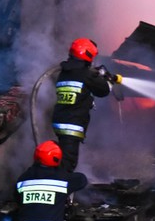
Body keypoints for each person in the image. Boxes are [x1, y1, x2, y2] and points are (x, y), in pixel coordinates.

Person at [52, 37, 121, 172]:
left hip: (59, 121)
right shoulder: (85, 75)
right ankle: (60, 189)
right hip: (72, 124)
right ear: (87, 55)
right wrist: (108, 80)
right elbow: (103, 90)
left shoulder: (64, 72)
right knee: (68, 163)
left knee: (60, 157)